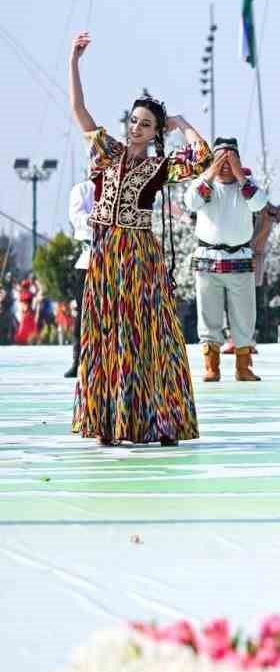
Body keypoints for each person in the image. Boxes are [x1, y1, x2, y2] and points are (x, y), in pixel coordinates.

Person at [67, 31, 210, 446]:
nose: (136, 128)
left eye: (145, 125)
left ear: (155, 132)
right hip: (106, 252)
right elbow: (78, 108)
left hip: (139, 254)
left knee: (148, 332)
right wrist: (74, 61)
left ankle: (158, 419)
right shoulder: (107, 152)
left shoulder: (160, 168)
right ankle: (112, 421)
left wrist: (180, 123)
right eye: (133, 121)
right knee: (107, 331)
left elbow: (202, 157)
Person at [184, 137, 268, 382]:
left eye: (230, 159)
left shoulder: (247, 186)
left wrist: (240, 174)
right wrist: (209, 172)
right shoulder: (204, 184)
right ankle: (212, 365)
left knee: (244, 315)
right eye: (220, 158)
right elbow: (190, 202)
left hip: (239, 260)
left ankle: (243, 367)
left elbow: (259, 204)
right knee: (208, 315)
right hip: (208, 260)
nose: (225, 164)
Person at [63, 177, 94, 378]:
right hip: (89, 260)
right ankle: (78, 360)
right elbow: (77, 218)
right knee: (83, 314)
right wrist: (96, 218)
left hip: (118, 260)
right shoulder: (82, 189)